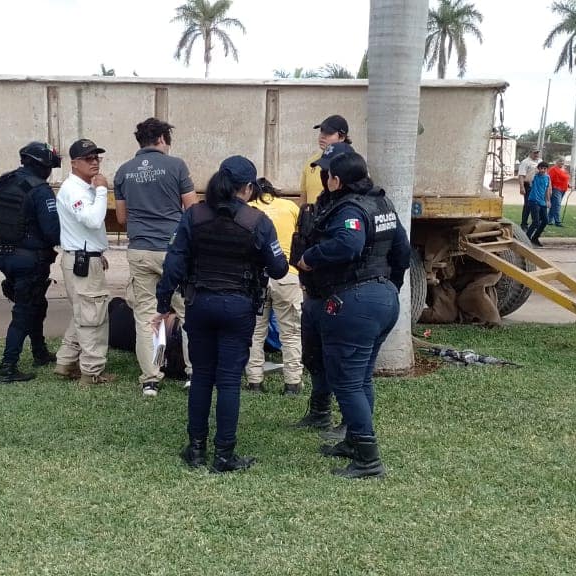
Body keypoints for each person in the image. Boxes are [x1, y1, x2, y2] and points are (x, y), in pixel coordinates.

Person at [154, 155, 289, 473]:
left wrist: (162, 305)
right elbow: (279, 269)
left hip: (200, 304)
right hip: (239, 307)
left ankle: (196, 449)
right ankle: (224, 455)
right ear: (247, 188)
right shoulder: (257, 222)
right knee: (229, 380)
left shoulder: (194, 216)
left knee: (201, 376)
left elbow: (173, 264)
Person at [291, 143, 412, 479]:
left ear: (337, 181)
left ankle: (368, 461)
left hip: (353, 301)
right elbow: (402, 251)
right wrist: (390, 286)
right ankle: (353, 442)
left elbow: (349, 244)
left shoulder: (350, 210)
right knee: (358, 379)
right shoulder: (381, 203)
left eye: (327, 174)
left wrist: (310, 259)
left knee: (346, 382)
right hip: (380, 297)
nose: (324, 178)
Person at [114, 117, 198, 397]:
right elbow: (192, 210)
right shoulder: (176, 166)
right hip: (172, 250)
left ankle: (151, 378)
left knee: (148, 316)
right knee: (186, 312)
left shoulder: (124, 171)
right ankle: (192, 373)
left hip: (139, 250)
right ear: (162, 139)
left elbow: (122, 217)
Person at [0, 141, 64, 383]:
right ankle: (7, 367)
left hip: (3, 255)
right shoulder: (40, 190)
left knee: (36, 304)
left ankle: (40, 352)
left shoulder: (1, 182)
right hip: (29, 260)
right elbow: (53, 232)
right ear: (42, 165)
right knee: (23, 311)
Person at [55, 138, 116, 385]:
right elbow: (92, 220)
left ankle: (66, 361)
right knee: (94, 317)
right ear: (74, 163)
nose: (94, 162)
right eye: (88, 158)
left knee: (84, 312)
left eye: (97, 157)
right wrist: (102, 189)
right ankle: (91, 371)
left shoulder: (83, 187)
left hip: (85, 257)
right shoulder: (74, 189)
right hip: (81, 260)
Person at [245, 177, 304, 395]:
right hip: (287, 275)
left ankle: (254, 382)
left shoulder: (248, 209)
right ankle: (292, 383)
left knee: (255, 332)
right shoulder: (290, 207)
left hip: (256, 277)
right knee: (290, 333)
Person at [301, 115, 351, 207]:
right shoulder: (311, 162)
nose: (322, 137)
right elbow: (304, 199)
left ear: (342, 137)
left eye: (329, 133)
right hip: (316, 218)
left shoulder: (353, 162)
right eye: (321, 132)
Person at [526, 162, 552, 247]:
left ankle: (535, 238)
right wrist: (534, 171)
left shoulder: (547, 177)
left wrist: (548, 200)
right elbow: (528, 179)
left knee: (545, 221)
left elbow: (547, 189)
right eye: (541, 168)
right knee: (536, 222)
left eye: (545, 169)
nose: (543, 170)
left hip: (542, 202)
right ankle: (526, 238)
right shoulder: (535, 176)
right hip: (533, 201)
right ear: (538, 168)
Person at [518, 149, 541, 228]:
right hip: (528, 185)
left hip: (537, 186)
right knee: (528, 205)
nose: (536, 155)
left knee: (537, 205)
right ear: (530, 153)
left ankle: (536, 223)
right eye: (535, 153)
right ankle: (524, 224)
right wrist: (521, 187)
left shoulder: (540, 161)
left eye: (537, 153)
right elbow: (521, 175)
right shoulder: (525, 162)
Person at [546, 157, 570, 227]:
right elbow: (549, 179)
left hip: (563, 189)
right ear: (556, 161)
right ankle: (557, 221)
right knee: (557, 205)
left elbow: (564, 178)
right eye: (560, 161)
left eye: (563, 161)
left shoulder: (563, 169)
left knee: (554, 205)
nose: (562, 162)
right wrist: (549, 189)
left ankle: (549, 220)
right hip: (556, 189)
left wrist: (568, 184)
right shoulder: (553, 169)